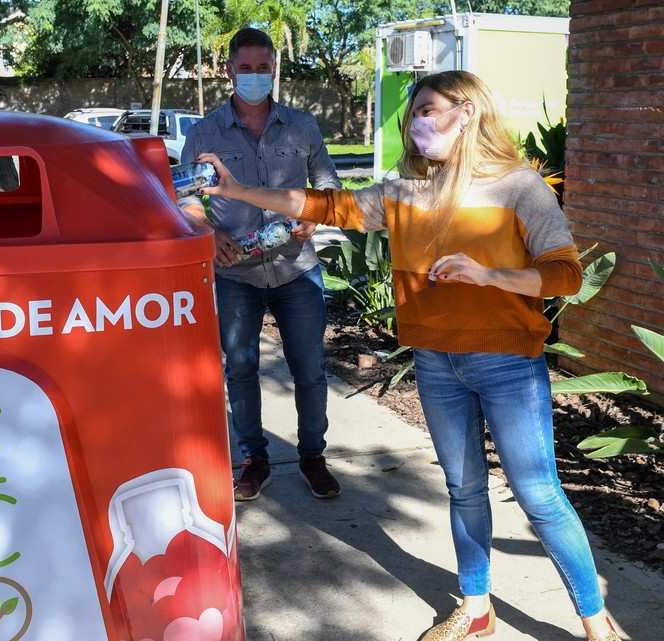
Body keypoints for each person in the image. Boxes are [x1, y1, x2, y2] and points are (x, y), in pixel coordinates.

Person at [197, 70, 621, 641]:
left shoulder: (519, 187)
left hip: (506, 363)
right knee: (463, 489)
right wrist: (239, 190)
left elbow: (565, 275)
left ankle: (596, 622)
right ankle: (476, 609)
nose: (417, 123)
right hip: (434, 361)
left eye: (428, 110)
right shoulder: (406, 190)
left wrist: (490, 274)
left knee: (538, 495)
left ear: (466, 111)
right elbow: (327, 204)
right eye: (414, 113)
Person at [178, 28, 342, 501]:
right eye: (245, 68)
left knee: (309, 369)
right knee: (242, 369)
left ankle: (313, 456)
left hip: (296, 268)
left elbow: (327, 185)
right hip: (236, 275)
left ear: (274, 68)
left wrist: (315, 212)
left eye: (262, 67)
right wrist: (211, 235)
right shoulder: (204, 132)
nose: (254, 76)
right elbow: (184, 198)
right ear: (229, 70)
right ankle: (254, 458)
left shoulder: (302, 126)